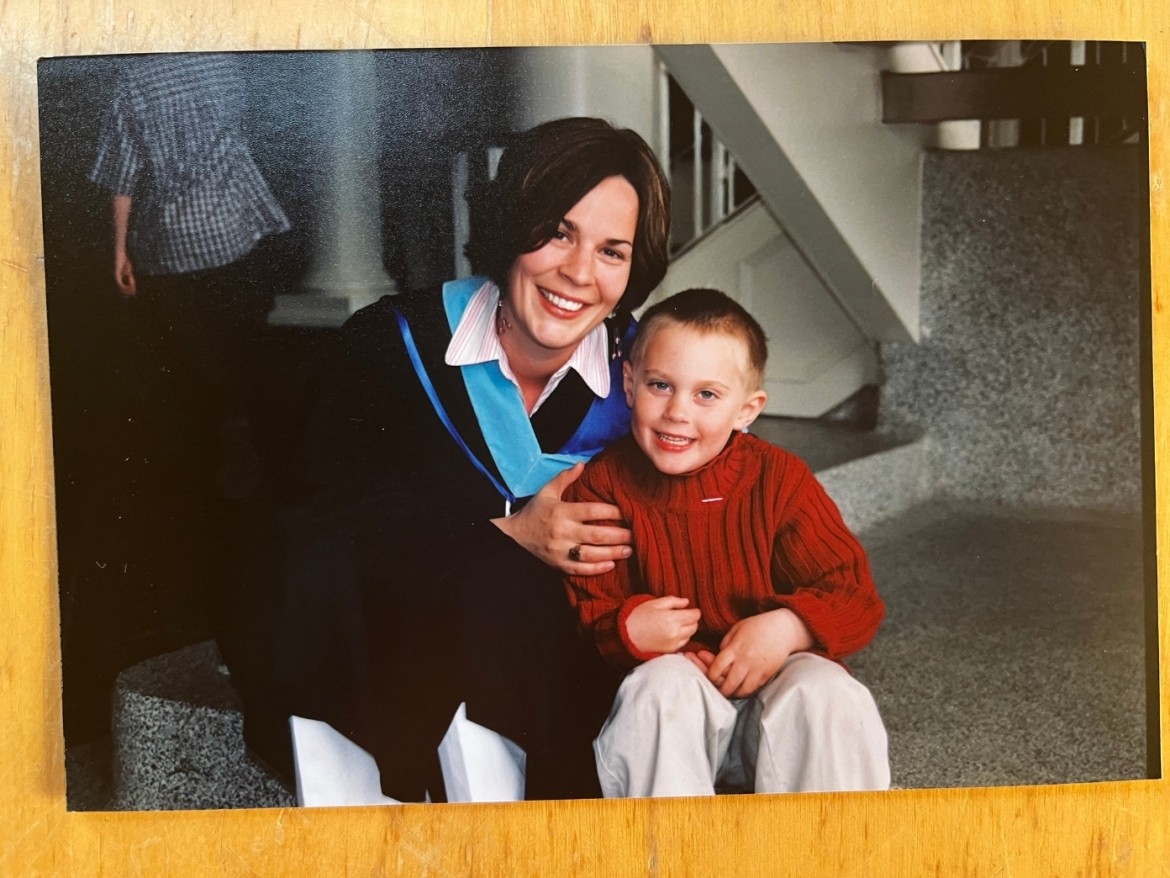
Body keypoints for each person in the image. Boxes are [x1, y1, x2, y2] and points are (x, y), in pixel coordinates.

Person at [236, 117, 672, 802]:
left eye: (612, 250)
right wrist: (503, 531)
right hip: (415, 674)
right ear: (510, 224)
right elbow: (306, 529)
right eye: (557, 231)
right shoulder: (388, 346)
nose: (579, 274)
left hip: (589, 689)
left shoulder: (652, 377)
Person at [563, 288, 890, 798]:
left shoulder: (779, 479)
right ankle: (676, 857)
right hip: (676, 724)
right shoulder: (603, 487)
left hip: (775, 702)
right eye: (660, 385)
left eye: (706, 395)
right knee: (658, 691)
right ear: (629, 383)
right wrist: (625, 629)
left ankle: (835, 855)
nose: (677, 411)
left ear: (747, 409)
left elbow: (854, 595)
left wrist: (790, 627)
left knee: (831, 695)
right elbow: (583, 610)